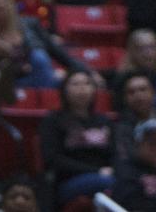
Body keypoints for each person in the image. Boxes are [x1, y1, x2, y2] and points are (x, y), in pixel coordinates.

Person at [39, 67, 115, 207]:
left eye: (87, 83)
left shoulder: (104, 121)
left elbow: (115, 153)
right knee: (113, 184)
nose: (82, 88)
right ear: (64, 89)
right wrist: (96, 171)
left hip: (105, 175)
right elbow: (53, 159)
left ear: (94, 89)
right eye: (75, 84)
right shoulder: (53, 120)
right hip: (68, 181)